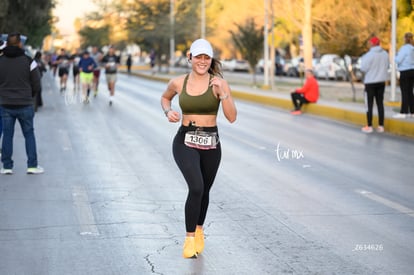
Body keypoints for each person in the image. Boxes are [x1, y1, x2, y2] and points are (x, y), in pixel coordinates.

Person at [160, 38, 237, 258]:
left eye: (206, 57)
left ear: (210, 59)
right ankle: (189, 238)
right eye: (198, 57)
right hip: (185, 140)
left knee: (205, 190)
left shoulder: (219, 83)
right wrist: (168, 112)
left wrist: (223, 94)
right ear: (190, 58)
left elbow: (231, 117)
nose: (202, 61)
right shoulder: (178, 82)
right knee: (195, 187)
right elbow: (165, 98)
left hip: (212, 143)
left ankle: (200, 229)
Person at [0, 32, 44, 174]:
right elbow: (37, 84)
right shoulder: (29, 61)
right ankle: (32, 165)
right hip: (25, 103)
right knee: (29, 134)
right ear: (20, 43)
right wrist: (29, 96)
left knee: (7, 135)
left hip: (5, 104)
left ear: (7, 43)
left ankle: (7, 167)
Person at [360, 36, 389, 133]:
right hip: (381, 82)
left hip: (370, 82)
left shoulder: (369, 55)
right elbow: (387, 66)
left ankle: (369, 125)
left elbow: (363, 68)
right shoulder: (385, 54)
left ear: (372, 44)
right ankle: (381, 126)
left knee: (369, 104)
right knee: (380, 103)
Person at [394, 32, 414, 118]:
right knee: (410, 92)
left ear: (405, 39)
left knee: (404, 92)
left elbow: (398, 60)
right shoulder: (413, 48)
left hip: (405, 71)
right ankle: (412, 111)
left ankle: (404, 111)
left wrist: (395, 55)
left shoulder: (404, 48)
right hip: (412, 71)